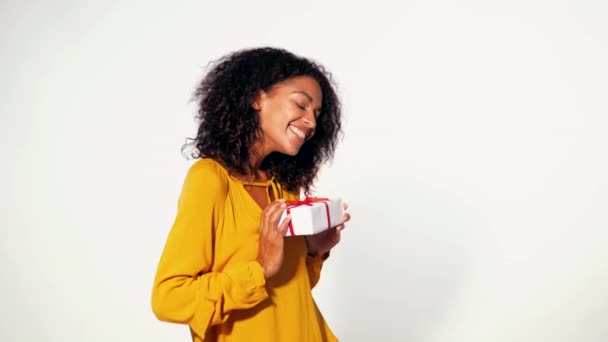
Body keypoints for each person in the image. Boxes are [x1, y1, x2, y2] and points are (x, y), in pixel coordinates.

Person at [151, 47, 351, 342]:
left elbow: (289, 291)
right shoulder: (209, 180)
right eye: (301, 105)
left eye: (317, 114)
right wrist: (259, 268)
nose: (311, 122)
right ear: (258, 98)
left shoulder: (284, 186)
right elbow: (168, 298)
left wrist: (313, 252)